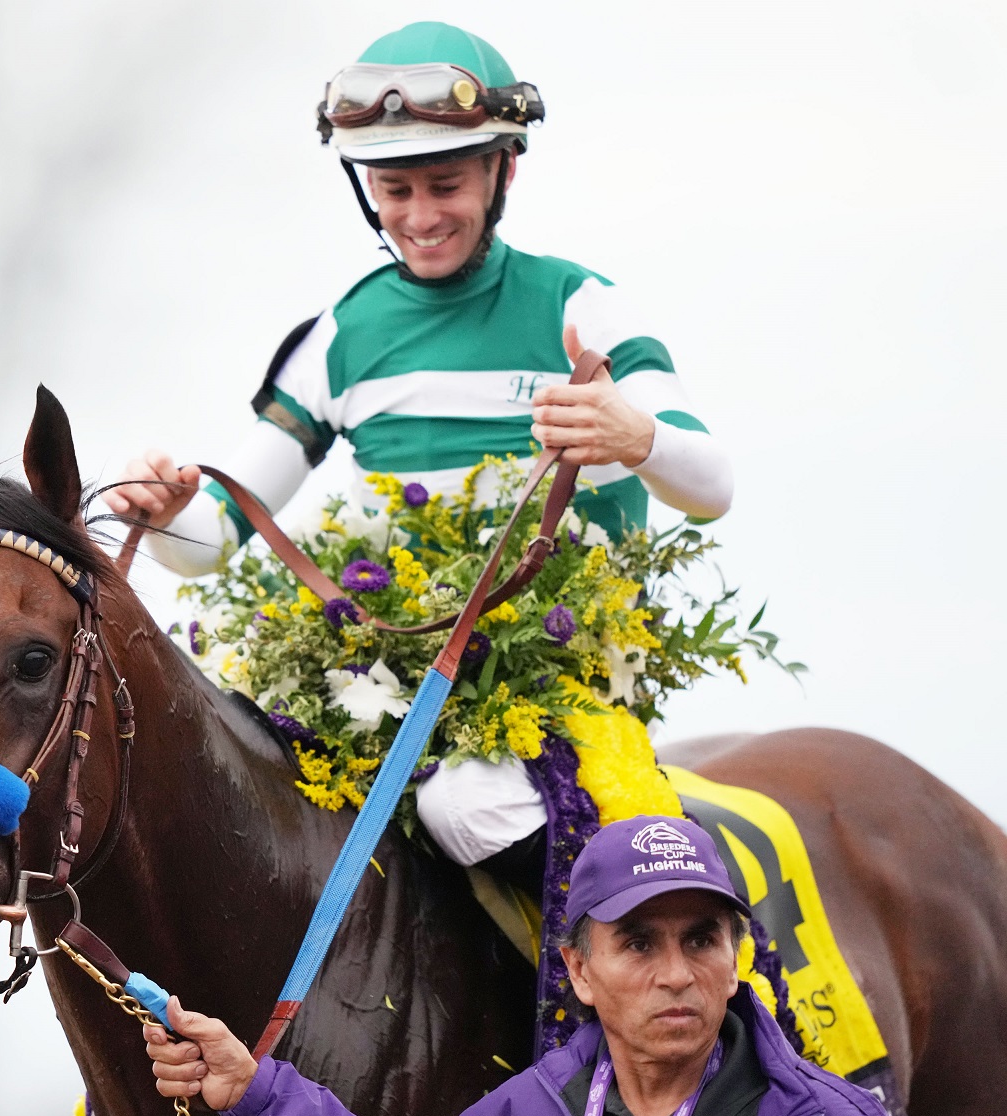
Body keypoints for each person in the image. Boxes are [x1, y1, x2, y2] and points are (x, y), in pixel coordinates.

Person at [103, 22, 734, 892]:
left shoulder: (579, 305)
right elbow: (213, 546)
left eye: (446, 183)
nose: (421, 215)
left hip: (557, 683)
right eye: (394, 189)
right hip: (390, 675)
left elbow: (713, 488)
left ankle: (640, 993)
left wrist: (639, 437)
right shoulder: (342, 335)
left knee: (461, 804)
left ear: (504, 170)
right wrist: (172, 515)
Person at [141, 815, 917, 1116]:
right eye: (639, 943)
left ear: (737, 954)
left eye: (702, 939)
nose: (676, 975)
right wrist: (256, 1093)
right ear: (578, 970)